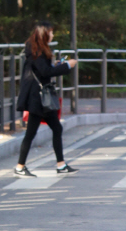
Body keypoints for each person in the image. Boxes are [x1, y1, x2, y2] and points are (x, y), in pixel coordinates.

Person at [15, 23, 78, 178]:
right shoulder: (35, 50)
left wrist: (57, 65)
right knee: (31, 133)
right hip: (37, 98)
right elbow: (45, 71)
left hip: (42, 98)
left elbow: (44, 70)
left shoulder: (39, 50)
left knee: (57, 128)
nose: (52, 36)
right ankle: (20, 167)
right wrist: (67, 66)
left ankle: (61, 164)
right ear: (44, 34)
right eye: (50, 33)